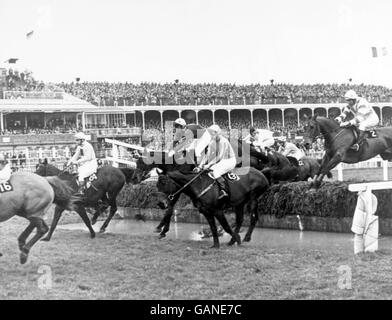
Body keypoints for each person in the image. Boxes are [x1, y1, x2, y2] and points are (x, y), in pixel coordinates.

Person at [194, 124, 237, 199]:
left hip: (229, 161)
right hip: (221, 161)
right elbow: (207, 155)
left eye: (212, 133)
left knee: (215, 171)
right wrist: (200, 166)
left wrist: (209, 164)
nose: (210, 135)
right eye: (210, 133)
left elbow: (220, 157)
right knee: (206, 171)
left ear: (217, 133)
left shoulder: (223, 141)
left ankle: (224, 190)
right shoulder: (212, 141)